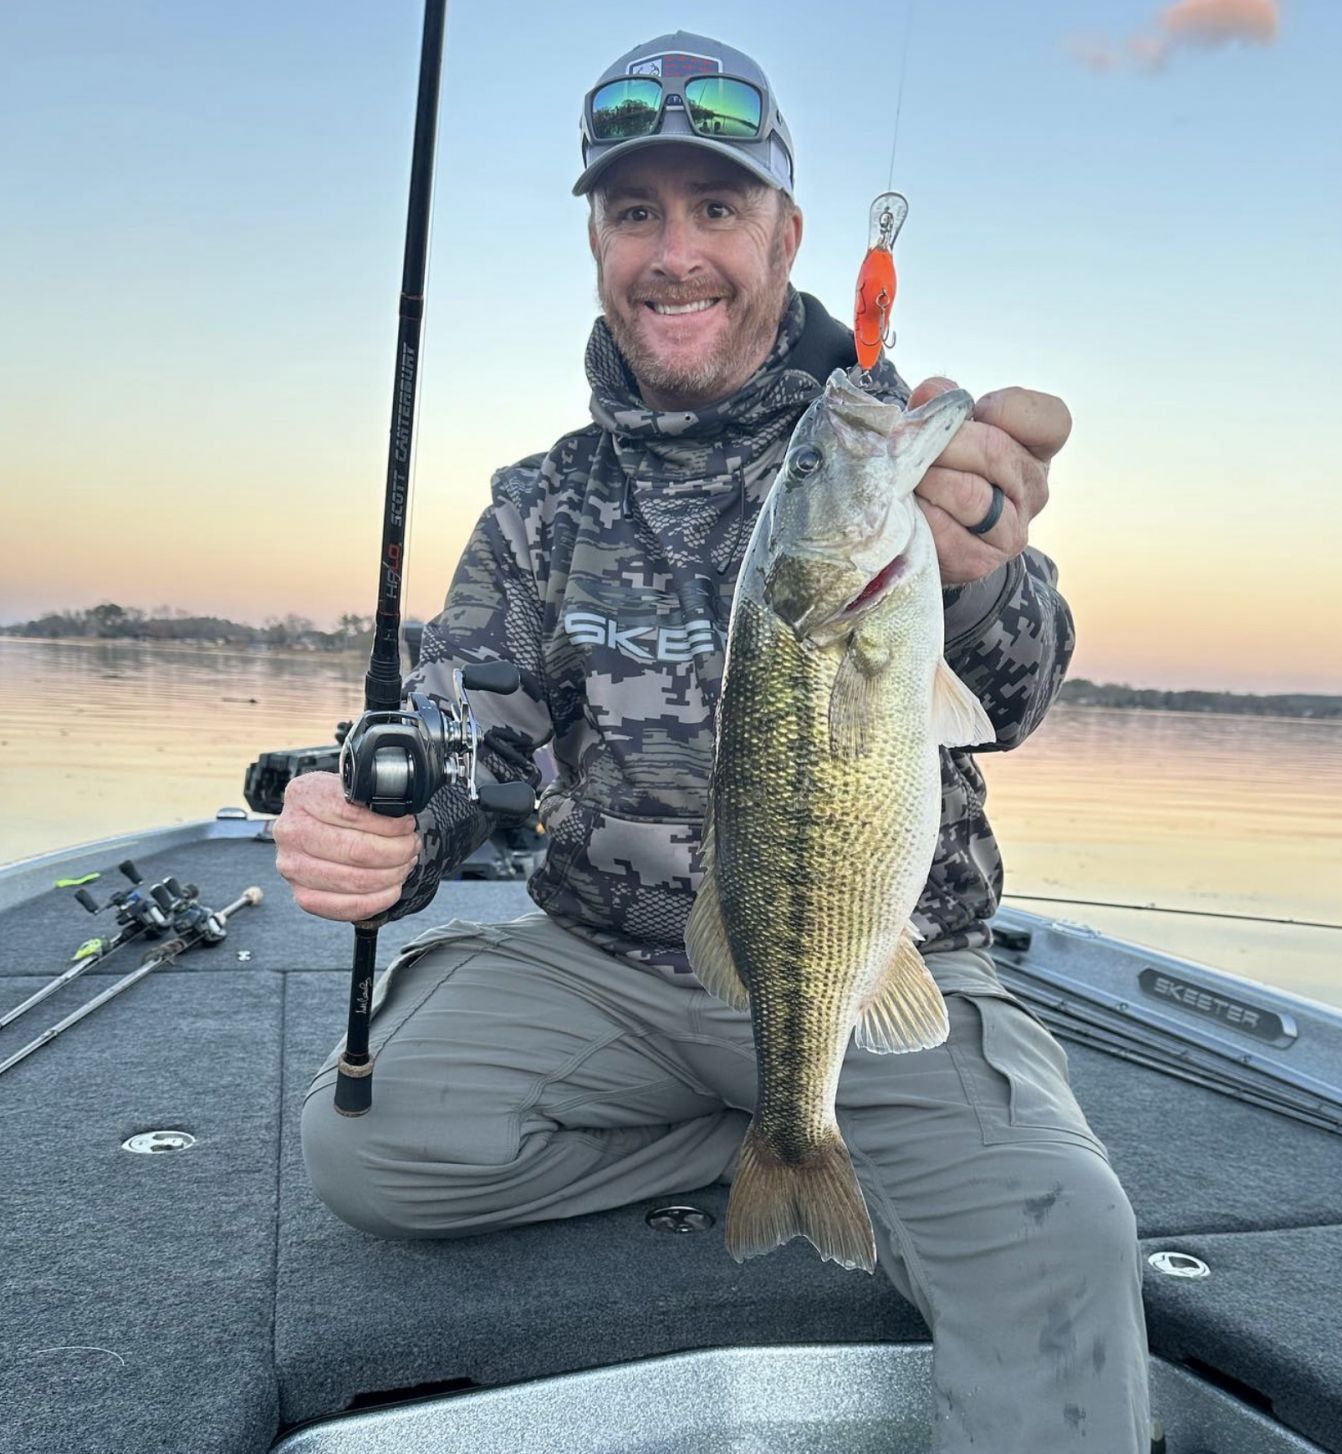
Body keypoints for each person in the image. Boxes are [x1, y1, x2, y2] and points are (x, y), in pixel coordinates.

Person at [280, 31, 1153, 1453]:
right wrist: (385, 821)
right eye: (636, 213)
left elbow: (1022, 687)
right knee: (365, 1146)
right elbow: (471, 737)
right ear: (598, 245)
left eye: (717, 208)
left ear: (787, 237)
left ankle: (806, 1117)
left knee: (1070, 1244)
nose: (674, 252)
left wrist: (979, 570)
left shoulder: (895, 454)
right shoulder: (540, 506)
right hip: (611, 970)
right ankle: (764, 1136)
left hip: (875, 963)